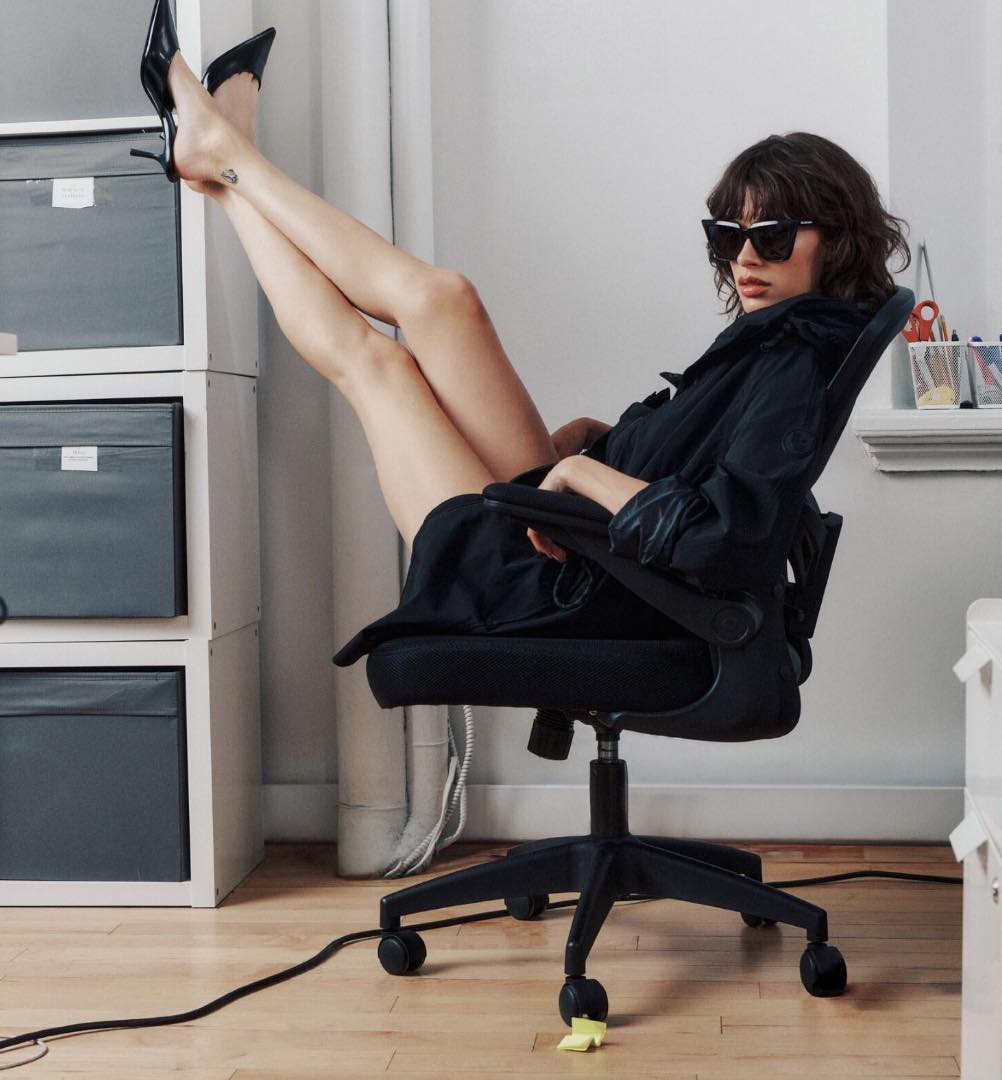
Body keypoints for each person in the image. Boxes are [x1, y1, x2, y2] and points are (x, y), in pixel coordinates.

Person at [158, 49, 909, 665]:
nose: (744, 259)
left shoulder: (796, 362)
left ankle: (226, 165)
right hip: (578, 540)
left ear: (836, 240)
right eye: (727, 237)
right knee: (445, 299)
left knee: (377, 367)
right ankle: (225, 160)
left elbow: (724, 540)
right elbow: (709, 461)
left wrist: (582, 474)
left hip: (557, 585)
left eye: (771, 238)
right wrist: (603, 440)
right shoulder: (784, 335)